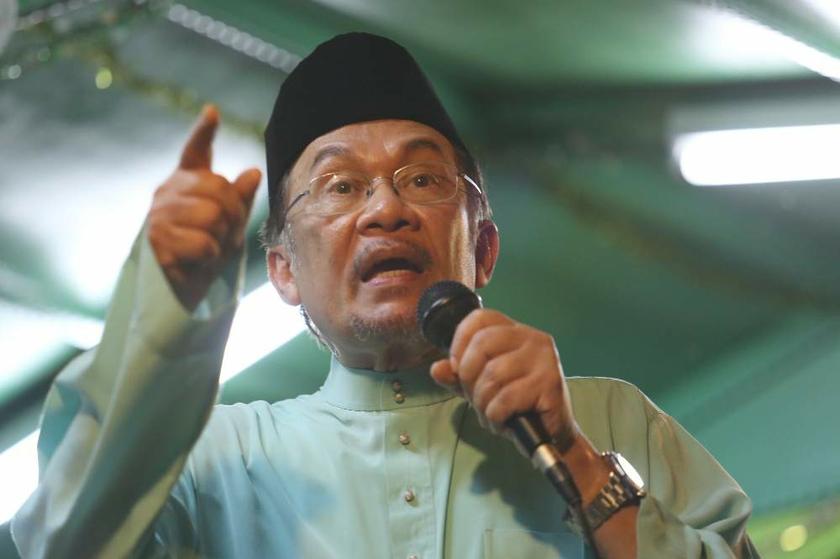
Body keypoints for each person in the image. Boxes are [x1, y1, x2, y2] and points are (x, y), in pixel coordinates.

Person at [11, 33, 757, 558]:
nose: (385, 210)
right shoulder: (215, 459)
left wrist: (575, 456)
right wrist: (160, 313)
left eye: (423, 178)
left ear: (485, 247)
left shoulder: (615, 421)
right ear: (283, 272)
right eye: (340, 186)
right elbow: (57, 542)